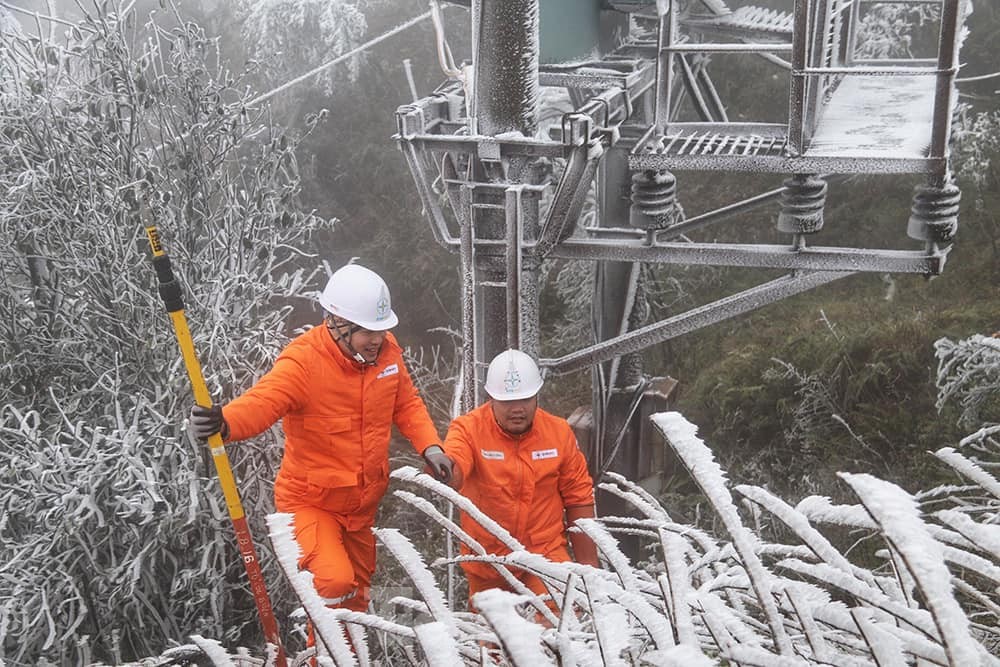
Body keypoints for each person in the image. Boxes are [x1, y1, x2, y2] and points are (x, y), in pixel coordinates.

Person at [189, 263, 454, 615]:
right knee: (334, 583)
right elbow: (263, 402)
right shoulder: (303, 363)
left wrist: (430, 446)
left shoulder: (386, 354)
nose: (377, 339)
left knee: (356, 605)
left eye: (382, 329)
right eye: (367, 331)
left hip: (361, 507)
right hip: (311, 504)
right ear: (337, 323)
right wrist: (224, 423)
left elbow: (406, 403)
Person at [439, 349, 599, 606]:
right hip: (489, 563)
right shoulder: (468, 430)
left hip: (546, 555)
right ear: (491, 398)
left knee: (559, 624)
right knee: (495, 642)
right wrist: (445, 469)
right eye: (506, 401)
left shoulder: (558, 433)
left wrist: (590, 568)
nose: (517, 409)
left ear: (537, 396)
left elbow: (578, 496)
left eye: (525, 399)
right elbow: (456, 462)